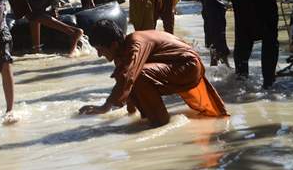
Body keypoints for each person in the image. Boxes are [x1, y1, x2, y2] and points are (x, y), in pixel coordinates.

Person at [78, 20, 229, 127]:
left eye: (100, 49)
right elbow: (126, 85)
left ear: (114, 44)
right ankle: (150, 118)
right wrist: (131, 114)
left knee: (138, 76)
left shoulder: (135, 43)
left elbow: (128, 77)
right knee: (134, 76)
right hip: (176, 66)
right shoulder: (122, 53)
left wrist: (104, 107)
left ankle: (160, 123)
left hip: (188, 66)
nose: (98, 54)